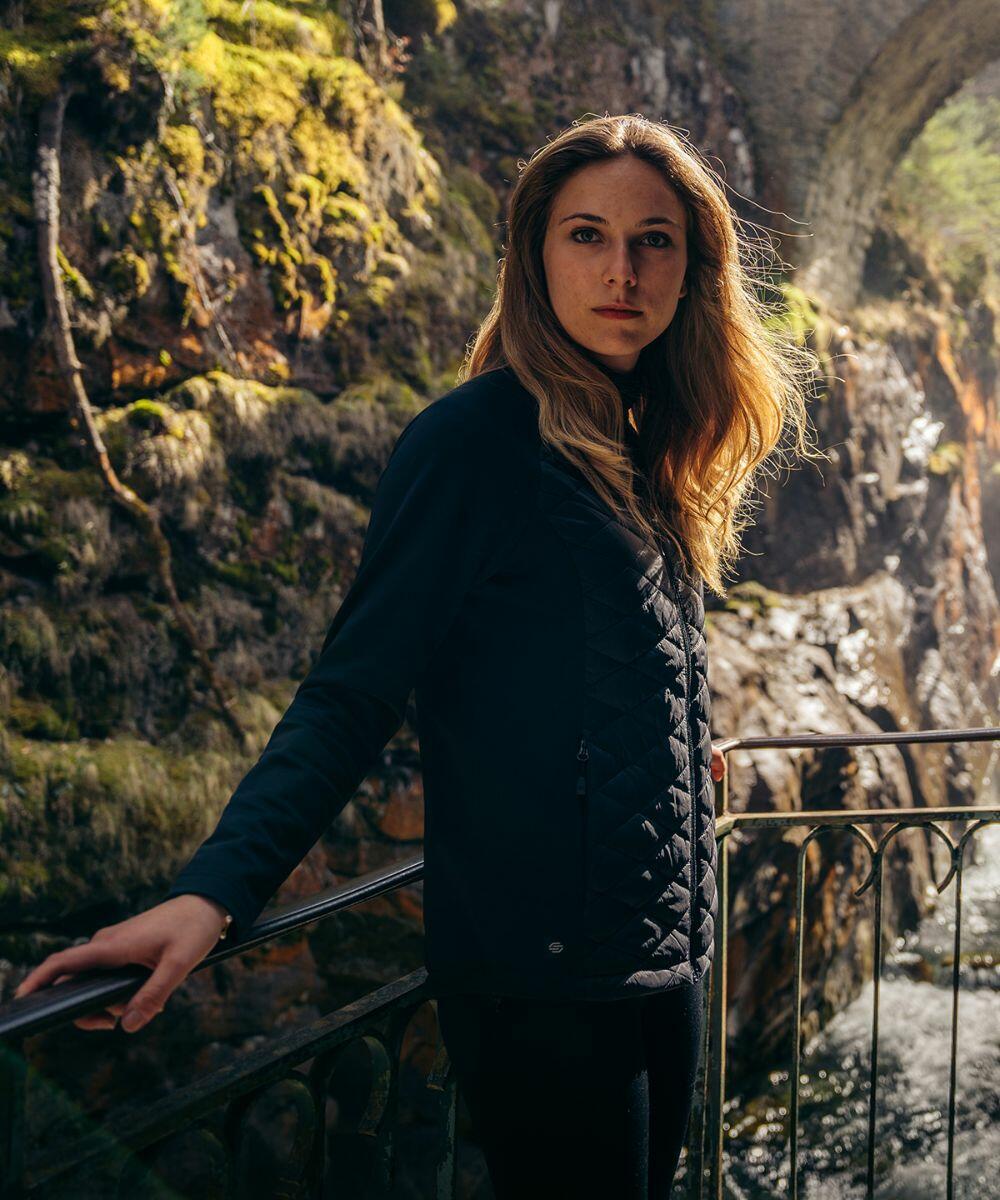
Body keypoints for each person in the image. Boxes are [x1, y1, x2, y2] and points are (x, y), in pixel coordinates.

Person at [14, 113, 818, 1196]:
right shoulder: (475, 442)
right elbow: (352, 691)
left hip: (657, 953)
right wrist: (213, 894)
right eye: (587, 235)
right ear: (534, 257)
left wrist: (680, 757)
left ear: (692, 267)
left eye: (654, 240)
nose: (621, 270)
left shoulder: (639, 443)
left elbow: (595, 665)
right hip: (543, 983)